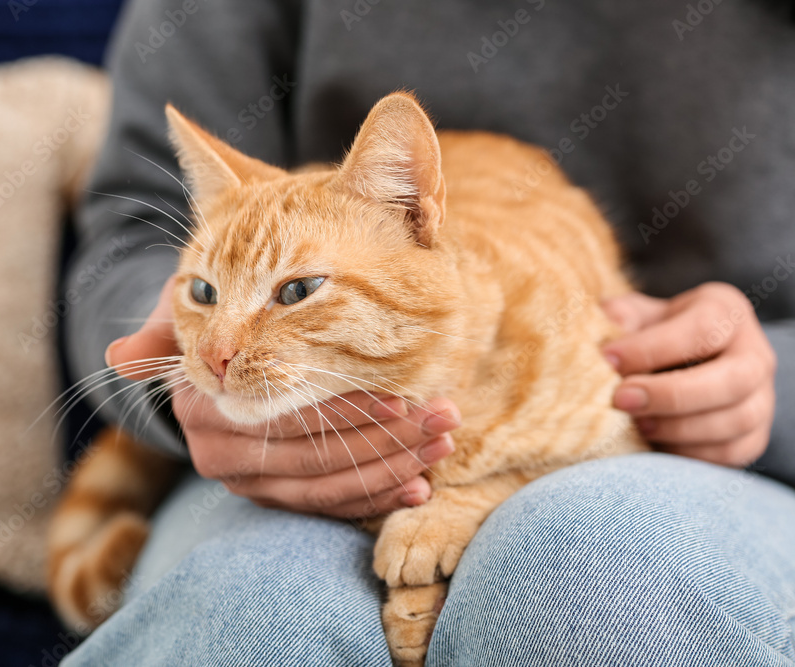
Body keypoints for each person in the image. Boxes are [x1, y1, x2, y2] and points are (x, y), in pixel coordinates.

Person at [62, 1, 795, 664]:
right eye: (205, 295)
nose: (221, 347)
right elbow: (134, 233)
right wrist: (169, 386)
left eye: (293, 292)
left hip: (729, 457)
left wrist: (766, 388)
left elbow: (601, 419)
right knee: (254, 614)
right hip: (259, 446)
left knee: (584, 572)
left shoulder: (531, 349)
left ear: (413, 215)